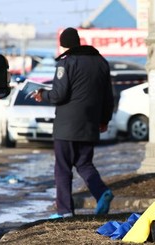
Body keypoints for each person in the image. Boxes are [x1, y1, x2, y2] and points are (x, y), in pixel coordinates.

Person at [31, 27, 115, 219]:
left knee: (62, 168)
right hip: (90, 124)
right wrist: (104, 119)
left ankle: (65, 211)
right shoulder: (101, 62)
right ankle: (102, 193)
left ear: (63, 45)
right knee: (84, 163)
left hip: (66, 126)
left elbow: (59, 95)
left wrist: (42, 94)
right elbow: (108, 97)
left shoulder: (66, 63)